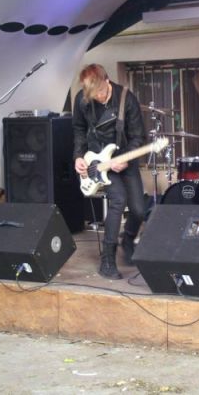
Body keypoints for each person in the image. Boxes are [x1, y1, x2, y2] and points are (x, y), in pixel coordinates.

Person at [73, 64, 146, 280]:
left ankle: (128, 238)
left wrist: (125, 159)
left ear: (107, 81)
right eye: (92, 94)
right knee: (118, 200)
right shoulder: (82, 99)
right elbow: (78, 129)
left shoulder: (126, 99)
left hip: (124, 158)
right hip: (99, 161)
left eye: (100, 92)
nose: (97, 96)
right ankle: (107, 260)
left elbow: (138, 137)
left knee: (139, 210)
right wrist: (79, 156)